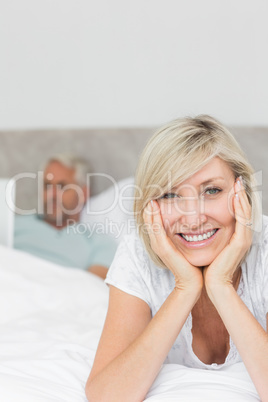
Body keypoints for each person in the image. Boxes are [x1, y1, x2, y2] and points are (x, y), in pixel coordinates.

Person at [85, 115, 268, 401]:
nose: (194, 218)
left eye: (212, 190)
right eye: (170, 195)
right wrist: (185, 287)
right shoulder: (137, 253)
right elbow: (107, 395)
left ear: (240, 191)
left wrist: (220, 284)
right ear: (150, 206)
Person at [14, 154, 117, 279]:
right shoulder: (13, 226)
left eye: (62, 187)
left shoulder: (98, 243)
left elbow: (93, 289)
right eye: (47, 185)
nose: (52, 195)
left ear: (83, 193)